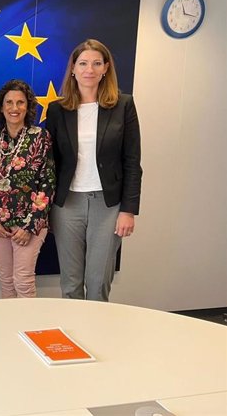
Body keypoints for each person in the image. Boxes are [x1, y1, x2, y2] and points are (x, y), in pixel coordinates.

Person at [46, 39, 142, 301]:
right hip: (67, 206)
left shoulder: (123, 106)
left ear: (105, 68)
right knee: (71, 283)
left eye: (96, 63)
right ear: (73, 69)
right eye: (83, 63)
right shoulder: (57, 110)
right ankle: (72, 341)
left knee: (98, 283)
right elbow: (49, 163)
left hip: (108, 205)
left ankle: (97, 337)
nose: (90, 69)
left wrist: (128, 210)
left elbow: (133, 162)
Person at [0, 80, 55, 299]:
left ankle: (28, 330)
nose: (14, 107)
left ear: (28, 107)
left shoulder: (40, 137)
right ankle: (8, 331)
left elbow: (47, 183)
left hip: (30, 224)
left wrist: (29, 225)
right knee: (6, 281)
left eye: (20, 102)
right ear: (1, 107)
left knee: (23, 281)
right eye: (9, 102)